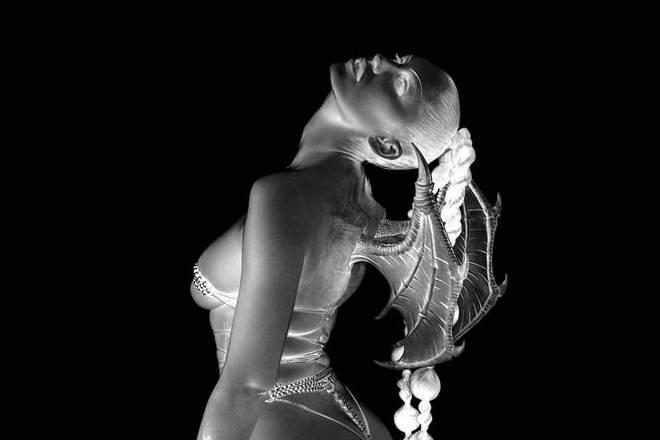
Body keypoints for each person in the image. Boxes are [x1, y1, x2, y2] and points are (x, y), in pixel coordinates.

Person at [192, 54, 475, 440]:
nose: (382, 61)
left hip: (276, 417)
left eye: (400, 85)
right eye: (400, 59)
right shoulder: (362, 207)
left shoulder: (287, 197)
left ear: (386, 145)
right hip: (332, 412)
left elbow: (246, 387)